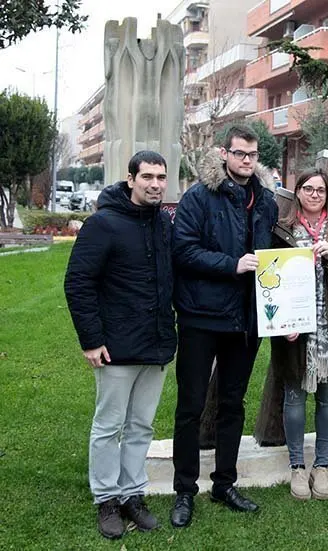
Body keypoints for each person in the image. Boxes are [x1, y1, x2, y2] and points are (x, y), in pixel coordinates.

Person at [64, 151, 175, 540]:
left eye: (161, 177)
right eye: (147, 176)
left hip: (156, 346)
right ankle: (107, 499)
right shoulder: (103, 224)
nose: (155, 184)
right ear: (130, 179)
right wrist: (91, 340)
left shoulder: (164, 224)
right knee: (109, 426)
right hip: (115, 349)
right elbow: (78, 283)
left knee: (141, 426)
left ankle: (133, 495)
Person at [170, 125, 278, 527]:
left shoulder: (266, 201)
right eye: (239, 153)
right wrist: (231, 265)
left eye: (252, 154)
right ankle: (184, 490)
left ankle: (224, 482)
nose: (246, 160)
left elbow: (271, 254)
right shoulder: (199, 196)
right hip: (201, 316)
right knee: (191, 405)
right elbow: (183, 250)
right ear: (224, 153)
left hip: (245, 320)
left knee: (232, 404)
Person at [270, 168, 328, 500]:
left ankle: (321, 467)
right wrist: (283, 322)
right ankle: (297, 466)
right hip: (295, 328)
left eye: (320, 190)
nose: (314, 195)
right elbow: (270, 277)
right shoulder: (282, 229)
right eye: (308, 189)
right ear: (298, 192)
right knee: (294, 397)